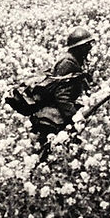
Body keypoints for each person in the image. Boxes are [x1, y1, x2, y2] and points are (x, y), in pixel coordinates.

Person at [29, 26, 95, 158]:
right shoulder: (68, 63)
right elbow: (62, 96)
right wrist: (74, 116)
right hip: (51, 118)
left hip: (55, 113)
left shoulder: (74, 59)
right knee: (47, 153)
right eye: (87, 45)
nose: (90, 48)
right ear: (79, 47)